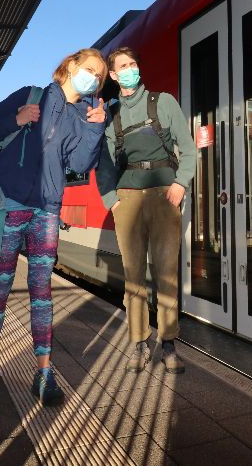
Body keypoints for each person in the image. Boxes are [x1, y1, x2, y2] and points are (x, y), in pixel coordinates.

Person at [0, 48, 107, 406]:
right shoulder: (31, 94)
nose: (93, 77)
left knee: (41, 291)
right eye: (89, 69)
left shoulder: (81, 116)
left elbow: (79, 164)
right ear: (71, 65)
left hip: (46, 210)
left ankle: (44, 372)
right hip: (6, 204)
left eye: (99, 76)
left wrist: (95, 128)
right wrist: (17, 117)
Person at [96, 47, 196, 374]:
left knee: (166, 273)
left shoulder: (163, 102)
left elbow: (190, 149)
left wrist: (180, 183)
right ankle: (139, 342)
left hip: (164, 194)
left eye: (133, 64)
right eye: (122, 67)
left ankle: (168, 343)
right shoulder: (112, 116)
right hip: (128, 199)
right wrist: (113, 201)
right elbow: (105, 165)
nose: (129, 70)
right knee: (133, 276)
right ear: (112, 75)